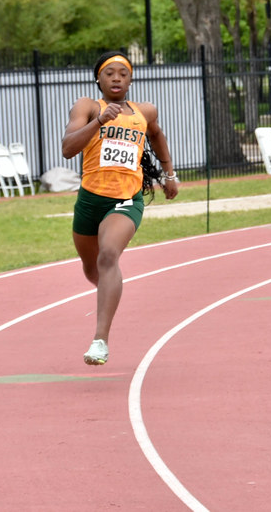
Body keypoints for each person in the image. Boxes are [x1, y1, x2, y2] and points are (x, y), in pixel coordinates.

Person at [61, 51, 178, 366]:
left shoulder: (145, 111)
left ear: (131, 79)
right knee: (92, 269)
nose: (116, 78)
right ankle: (108, 293)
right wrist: (100, 121)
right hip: (90, 199)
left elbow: (157, 135)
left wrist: (169, 175)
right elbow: (68, 148)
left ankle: (100, 340)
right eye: (109, 73)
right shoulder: (87, 107)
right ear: (98, 78)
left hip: (126, 199)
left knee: (108, 256)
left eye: (122, 74)